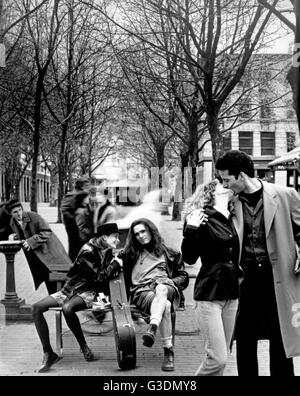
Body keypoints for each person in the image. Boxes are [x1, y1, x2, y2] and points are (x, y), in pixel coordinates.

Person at [215, 149, 300, 376]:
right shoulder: (228, 202)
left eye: (227, 179)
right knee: (244, 337)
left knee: (280, 334)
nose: (224, 185)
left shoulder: (285, 195)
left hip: (277, 276)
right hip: (244, 278)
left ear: (241, 176)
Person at [31, 222, 122, 373]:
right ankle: (48, 353)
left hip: (88, 292)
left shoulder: (104, 249)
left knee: (67, 308)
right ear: (105, 237)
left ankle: (83, 346)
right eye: (115, 237)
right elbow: (99, 278)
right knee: (36, 308)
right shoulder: (88, 251)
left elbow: (99, 278)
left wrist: (115, 260)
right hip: (71, 291)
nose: (117, 240)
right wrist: (114, 265)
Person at [181, 179, 243, 376]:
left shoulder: (235, 217)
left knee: (222, 359)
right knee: (217, 359)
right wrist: (190, 229)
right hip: (210, 293)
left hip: (232, 294)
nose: (227, 184)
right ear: (211, 192)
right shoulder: (201, 216)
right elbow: (189, 258)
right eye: (221, 183)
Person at [119, 218, 189, 372]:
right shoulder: (130, 254)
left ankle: (153, 327)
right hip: (142, 291)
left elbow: (183, 277)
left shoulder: (169, 252)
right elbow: (109, 263)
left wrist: (168, 280)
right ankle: (168, 351)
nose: (140, 236)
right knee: (166, 306)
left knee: (162, 288)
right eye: (136, 234)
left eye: (143, 231)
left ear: (151, 231)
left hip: (166, 287)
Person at [7, 199, 71, 294]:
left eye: (20, 210)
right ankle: (55, 303)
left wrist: (31, 241)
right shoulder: (12, 223)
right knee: (49, 283)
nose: (19, 214)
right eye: (15, 212)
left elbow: (47, 231)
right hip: (38, 259)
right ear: (10, 214)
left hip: (51, 254)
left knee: (61, 283)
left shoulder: (33, 216)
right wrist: (14, 236)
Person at [61, 175, 91, 261]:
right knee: (76, 246)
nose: (88, 187)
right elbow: (66, 209)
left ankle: (73, 262)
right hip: (74, 224)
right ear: (81, 185)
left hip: (73, 223)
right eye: (86, 185)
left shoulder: (75, 194)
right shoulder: (77, 194)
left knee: (74, 246)